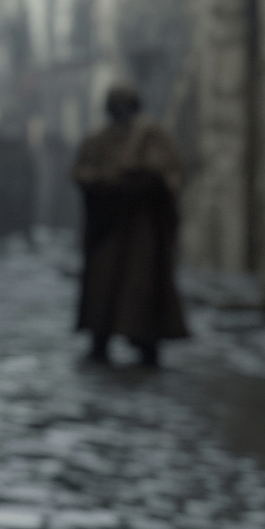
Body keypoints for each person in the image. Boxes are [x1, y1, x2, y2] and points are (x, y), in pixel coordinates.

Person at [73, 85, 188, 367]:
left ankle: (146, 341)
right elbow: (82, 171)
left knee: (141, 285)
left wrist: (142, 180)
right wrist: (105, 181)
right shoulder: (98, 139)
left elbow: (171, 173)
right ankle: (100, 339)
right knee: (103, 284)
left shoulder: (152, 136)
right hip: (109, 226)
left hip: (142, 226)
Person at [0, 116, 37, 252]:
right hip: (1, 195)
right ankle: (0, 245)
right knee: (1, 227)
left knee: (23, 223)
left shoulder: (23, 151)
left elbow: (31, 174)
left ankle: (27, 246)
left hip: (20, 195)